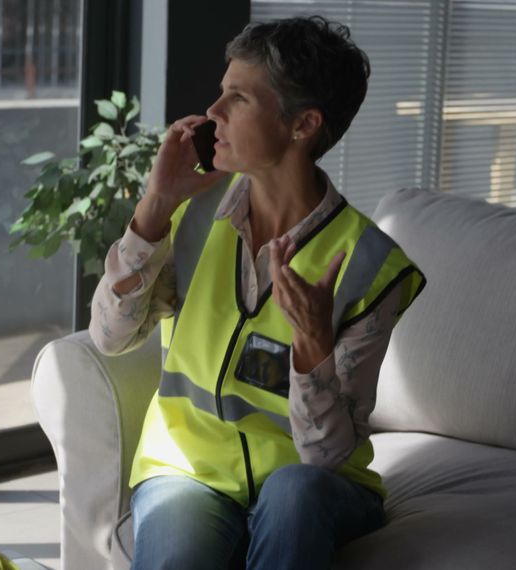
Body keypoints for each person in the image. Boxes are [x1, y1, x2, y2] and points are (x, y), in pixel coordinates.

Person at [89, 15, 427, 570]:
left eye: (237, 99)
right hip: (186, 470)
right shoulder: (195, 218)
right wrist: (153, 209)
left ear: (303, 124)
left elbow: (325, 456)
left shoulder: (370, 266)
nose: (212, 113)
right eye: (221, 93)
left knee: (292, 496)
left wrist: (313, 349)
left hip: (313, 486)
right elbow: (110, 338)